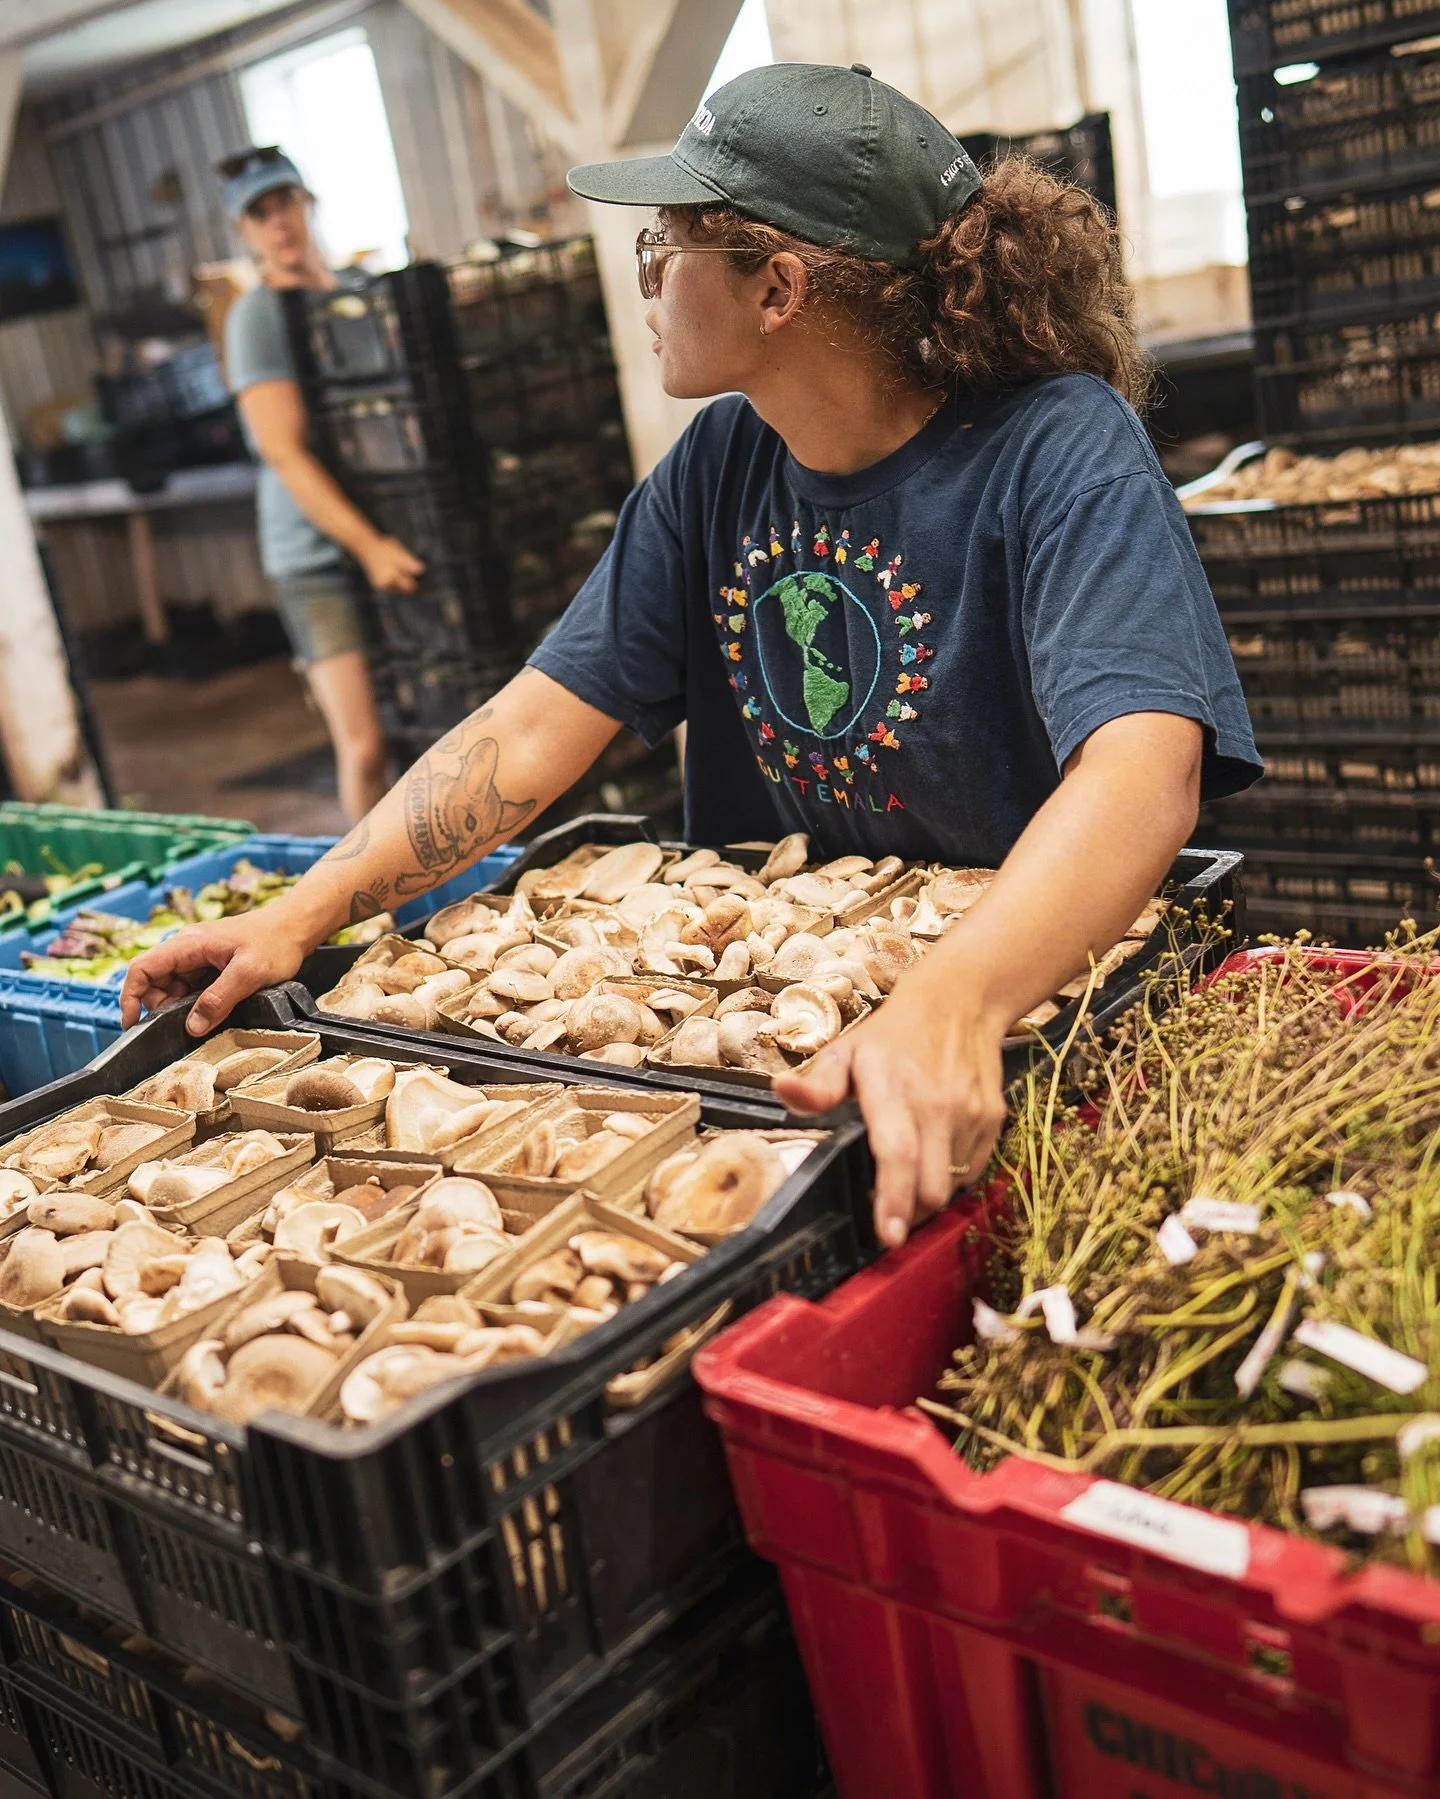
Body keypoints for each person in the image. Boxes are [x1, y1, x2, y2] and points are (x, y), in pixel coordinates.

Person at [128, 68, 1261, 1248]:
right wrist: (302, 912)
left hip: (1022, 1001)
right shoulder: (721, 460)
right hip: (776, 1007)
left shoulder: (1060, 448)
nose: (652, 281)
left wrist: (954, 998)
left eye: (665, 247)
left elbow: (1144, 773)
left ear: (778, 287)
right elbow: (531, 728)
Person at [220, 145, 425, 823]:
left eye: (286, 203)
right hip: (316, 556)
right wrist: (368, 547)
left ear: (308, 205)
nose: (279, 222)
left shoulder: (349, 297)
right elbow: (282, 450)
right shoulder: (258, 317)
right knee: (364, 743)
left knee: (421, 727)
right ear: (243, 232)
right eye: (259, 213)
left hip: (390, 529)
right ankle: (368, 903)